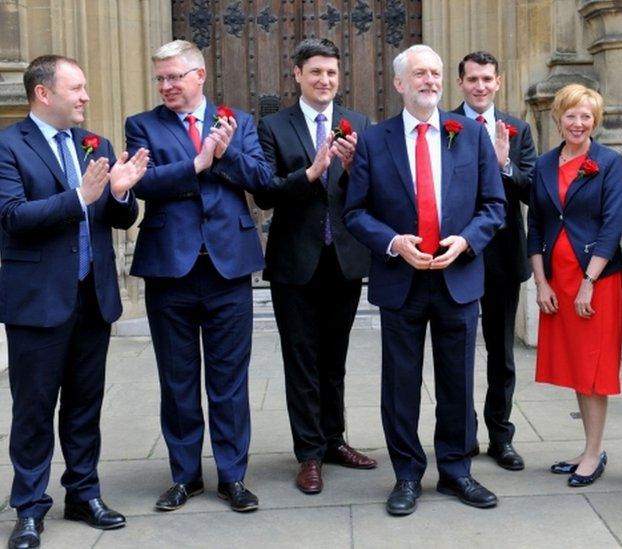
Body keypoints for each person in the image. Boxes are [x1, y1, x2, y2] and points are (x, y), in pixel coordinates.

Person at [0, 54, 147, 549]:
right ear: (43, 93)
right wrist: (80, 196)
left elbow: (119, 218)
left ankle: (83, 492)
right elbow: (12, 215)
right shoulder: (3, 146)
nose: (86, 97)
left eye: (86, 88)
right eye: (75, 88)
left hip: (91, 298)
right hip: (36, 302)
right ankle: (29, 508)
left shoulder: (94, 144)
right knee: (33, 409)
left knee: (83, 405)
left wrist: (118, 194)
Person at [343, 44, 506, 516]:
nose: (430, 80)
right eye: (419, 73)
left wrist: (467, 242)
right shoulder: (376, 140)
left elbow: (494, 206)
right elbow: (356, 212)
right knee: (401, 384)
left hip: (457, 277)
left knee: (457, 381)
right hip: (402, 280)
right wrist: (395, 242)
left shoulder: (470, 136)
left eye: (435, 72)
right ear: (399, 84)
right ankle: (408, 475)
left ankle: (456, 471)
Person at [125, 39, 273, 513]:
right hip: (170, 268)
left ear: (199, 75)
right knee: (178, 378)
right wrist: (195, 164)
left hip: (228, 267)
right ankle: (185, 476)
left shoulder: (239, 122)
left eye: (174, 77)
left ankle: (233, 477)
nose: (166, 86)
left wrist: (225, 155)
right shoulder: (142, 125)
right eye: (161, 78)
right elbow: (142, 183)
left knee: (230, 380)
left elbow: (262, 181)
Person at [255, 37, 376, 495]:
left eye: (331, 73)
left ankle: (334, 440)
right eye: (316, 72)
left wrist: (358, 164)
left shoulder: (359, 124)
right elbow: (264, 192)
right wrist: (308, 174)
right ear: (298, 76)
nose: (324, 80)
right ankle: (308, 454)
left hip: (343, 260)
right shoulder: (273, 126)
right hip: (295, 264)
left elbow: (374, 191)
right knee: (301, 360)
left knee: (335, 361)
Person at [527, 83, 622, 488]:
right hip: (557, 280)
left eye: (586, 116)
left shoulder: (609, 161)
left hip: (595, 280)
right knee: (575, 367)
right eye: (571, 115)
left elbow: (612, 224)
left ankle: (593, 453)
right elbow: (535, 225)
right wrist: (540, 282)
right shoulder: (545, 164)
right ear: (558, 118)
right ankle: (588, 447)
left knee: (593, 368)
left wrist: (589, 281)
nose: (579, 123)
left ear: (595, 121)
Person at [453, 51, 537, 471]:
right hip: (460, 255)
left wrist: (505, 165)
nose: (480, 86)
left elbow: (531, 190)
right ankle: (462, 435)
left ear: (498, 82)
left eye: (487, 78)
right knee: (459, 351)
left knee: (501, 353)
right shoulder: (444, 126)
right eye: (472, 79)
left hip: (503, 257)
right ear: (461, 83)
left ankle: (500, 436)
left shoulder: (517, 129)